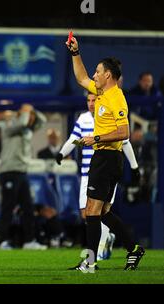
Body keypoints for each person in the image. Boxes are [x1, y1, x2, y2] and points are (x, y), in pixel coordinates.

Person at [66, 35, 145, 272]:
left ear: (108, 75)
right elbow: (80, 77)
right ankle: (133, 248)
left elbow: (124, 131)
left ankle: (90, 262)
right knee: (102, 212)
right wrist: (75, 52)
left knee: (92, 210)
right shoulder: (101, 92)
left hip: (108, 158)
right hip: (105, 158)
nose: (95, 75)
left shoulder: (116, 98)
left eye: (98, 71)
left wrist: (95, 138)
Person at [56, 93, 140, 262]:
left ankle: (94, 256)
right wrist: (61, 153)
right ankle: (131, 247)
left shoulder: (108, 114)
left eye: (94, 100)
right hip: (90, 171)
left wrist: (134, 166)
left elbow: (125, 141)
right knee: (93, 213)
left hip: (104, 168)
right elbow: (74, 139)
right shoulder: (84, 118)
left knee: (96, 212)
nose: (91, 103)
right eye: (88, 100)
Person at [0, 104, 48, 250]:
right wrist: (23, 113)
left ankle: (29, 241)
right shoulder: (10, 126)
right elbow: (21, 123)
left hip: (22, 172)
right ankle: (3, 241)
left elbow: (42, 120)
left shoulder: (27, 130)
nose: (31, 119)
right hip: (9, 171)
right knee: (8, 207)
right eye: (28, 116)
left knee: (28, 207)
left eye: (31, 116)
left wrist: (32, 110)